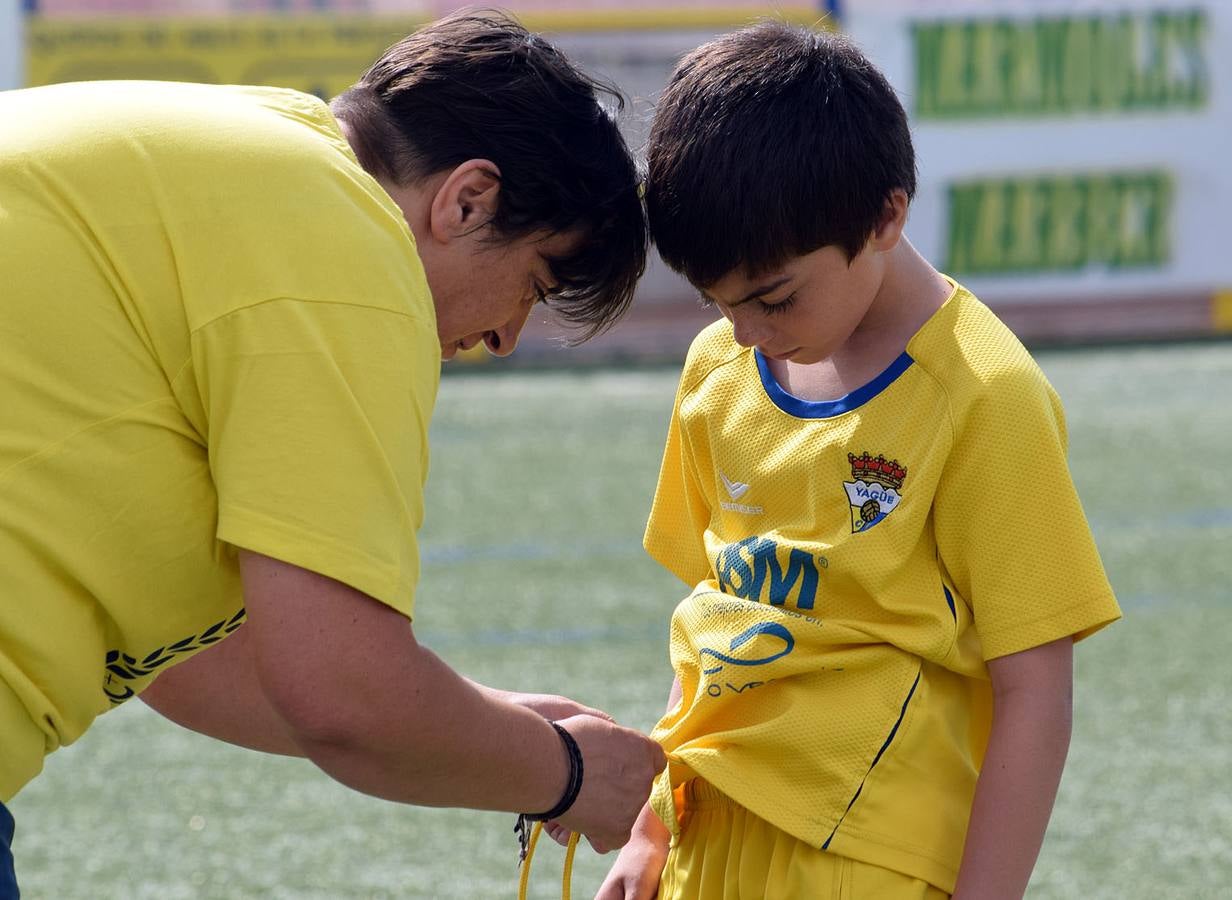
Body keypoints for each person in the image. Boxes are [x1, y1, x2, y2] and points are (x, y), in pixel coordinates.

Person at [0, 10, 666, 897]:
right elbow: (342, 694)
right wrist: (569, 773)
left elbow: (183, 662)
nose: (507, 335)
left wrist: (496, 729)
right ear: (467, 199)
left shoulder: (242, 163)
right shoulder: (347, 241)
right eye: (535, 283)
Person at [595, 21, 1123, 900]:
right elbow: (721, 633)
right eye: (717, 301)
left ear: (886, 215)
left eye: (772, 297)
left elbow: (1036, 692)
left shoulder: (986, 396)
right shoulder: (717, 370)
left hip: (866, 856)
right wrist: (654, 830)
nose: (744, 330)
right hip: (710, 835)